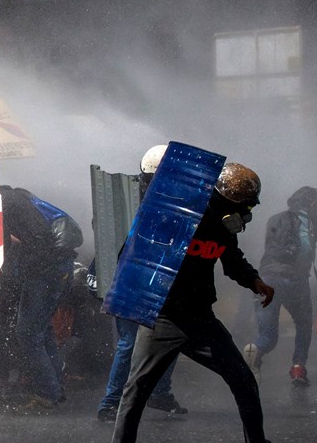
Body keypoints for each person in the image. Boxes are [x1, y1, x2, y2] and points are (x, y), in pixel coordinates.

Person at [112, 162, 275, 443]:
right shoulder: (178, 219)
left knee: (244, 381)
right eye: (245, 206)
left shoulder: (223, 226)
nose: (246, 214)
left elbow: (232, 259)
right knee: (136, 391)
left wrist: (254, 281)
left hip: (201, 319)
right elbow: (134, 255)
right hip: (163, 318)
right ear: (228, 198)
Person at [0, 172, 79, 412]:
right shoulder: (14, 197)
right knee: (42, 330)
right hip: (53, 271)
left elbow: (38, 243)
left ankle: (47, 394)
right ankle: (54, 387)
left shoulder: (5, 203)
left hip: (45, 274)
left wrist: (22, 275)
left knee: (28, 333)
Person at [96, 145, 187, 422]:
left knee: (170, 339)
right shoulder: (127, 202)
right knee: (130, 343)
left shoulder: (171, 203)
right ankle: (110, 403)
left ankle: (159, 394)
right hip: (132, 280)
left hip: (161, 279)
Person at [244, 186, 317, 387]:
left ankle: (256, 350)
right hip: (293, 281)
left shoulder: (275, 218)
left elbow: (270, 249)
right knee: (303, 324)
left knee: (268, 335)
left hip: (265, 280)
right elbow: (304, 251)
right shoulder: (309, 222)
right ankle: (298, 367)